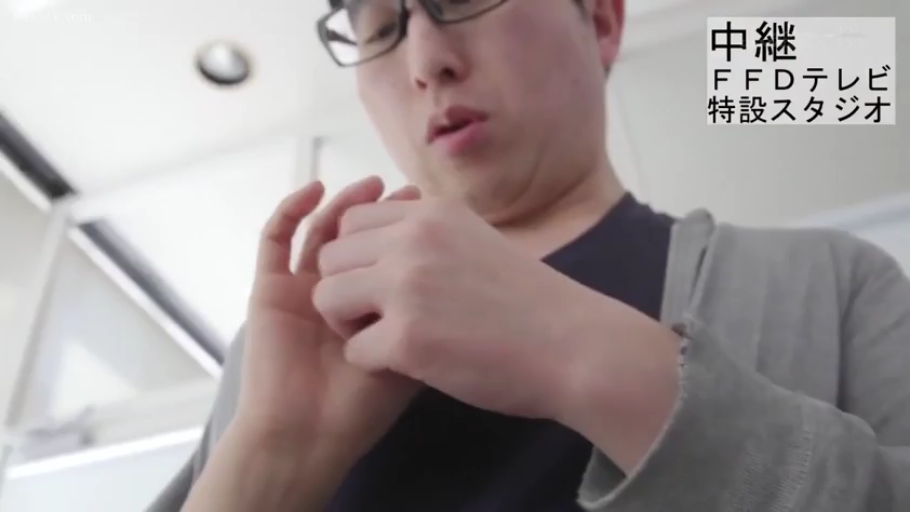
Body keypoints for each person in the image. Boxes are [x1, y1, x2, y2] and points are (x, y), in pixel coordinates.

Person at [150, 0, 910, 510]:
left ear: (601, 20)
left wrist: (588, 357)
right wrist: (269, 461)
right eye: (380, 26)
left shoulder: (828, 284)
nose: (426, 59)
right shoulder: (280, 351)